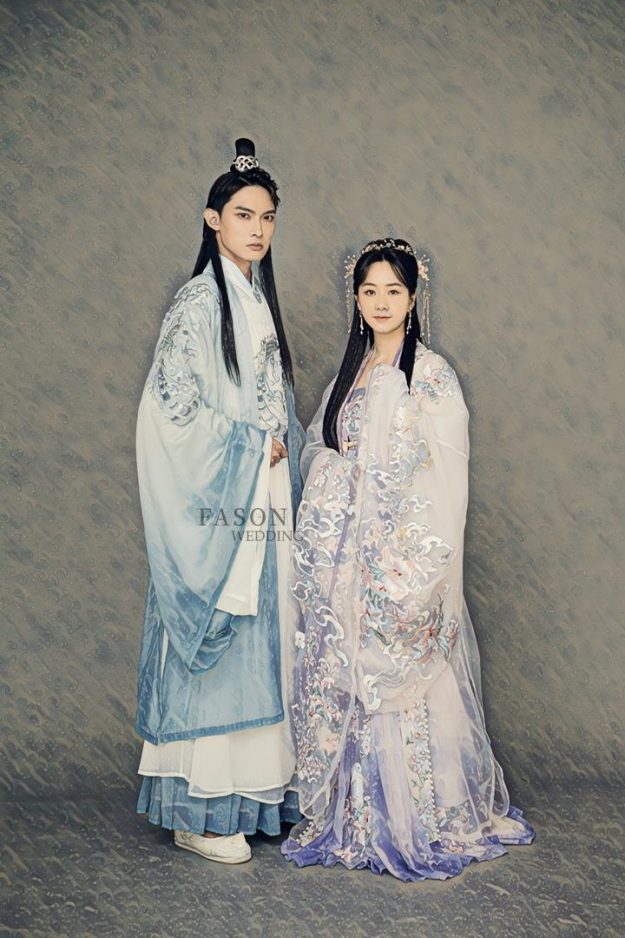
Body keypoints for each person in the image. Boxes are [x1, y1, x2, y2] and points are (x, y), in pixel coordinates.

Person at [281, 237, 535, 881]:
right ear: (356, 299)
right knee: (350, 670)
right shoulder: (351, 374)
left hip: (402, 556)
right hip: (351, 559)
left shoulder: (433, 376)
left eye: (393, 291)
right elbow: (323, 448)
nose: (380, 303)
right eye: (369, 291)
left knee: (405, 671)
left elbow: (445, 475)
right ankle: (357, 816)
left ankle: (418, 816)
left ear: (414, 298)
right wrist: (339, 489)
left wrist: (408, 554)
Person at [135, 138, 303, 864]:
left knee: (266, 633)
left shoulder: (254, 299)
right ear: (212, 219)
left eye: (267, 217)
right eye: (243, 215)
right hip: (226, 495)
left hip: (260, 494)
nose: (258, 230)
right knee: (221, 636)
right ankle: (199, 811)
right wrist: (249, 445)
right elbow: (170, 409)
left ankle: (253, 798)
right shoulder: (201, 302)